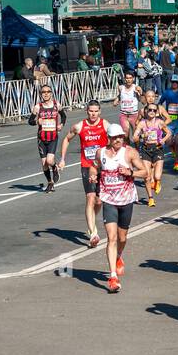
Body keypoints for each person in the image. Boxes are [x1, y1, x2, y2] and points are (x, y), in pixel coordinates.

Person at [92, 122, 150, 293]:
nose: (118, 140)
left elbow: (145, 172)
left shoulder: (130, 152)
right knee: (111, 238)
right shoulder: (101, 153)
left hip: (126, 199)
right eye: (115, 137)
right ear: (109, 138)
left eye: (120, 137)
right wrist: (93, 175)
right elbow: (94, 167)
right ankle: (112, 277)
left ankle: (118, 256)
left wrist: (130, 173)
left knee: (122, 237)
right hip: (108, 198)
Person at [58, 100, 109, 248]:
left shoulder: (105, 125)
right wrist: (62, 159)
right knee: (90, 198)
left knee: (99, 201)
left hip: (102, 167)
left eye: (96, 111)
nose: (93, 114)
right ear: (87, 111)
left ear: (99, 112)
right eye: (90, 111)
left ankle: (91, 219)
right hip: (87, 166)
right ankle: (93, 233)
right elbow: (67, 139)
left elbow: (116, 140)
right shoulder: (80, 126)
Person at [28, 84, 67, 193]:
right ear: (41, 94)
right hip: (41, 138)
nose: (45, 94)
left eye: (48, 92)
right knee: (44, 163)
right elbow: (30, 121)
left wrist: (61, 125)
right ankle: (50, 182)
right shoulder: (37, 107)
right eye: (43, 92)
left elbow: (63, 116)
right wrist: (37, 121)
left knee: (50, 160)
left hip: (53, 137)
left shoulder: (56, 105)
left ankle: (55, 168)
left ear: (51, 93)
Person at [131, 104, 168, 205]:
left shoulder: (160, 122)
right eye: (150, 110)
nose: (152, 111)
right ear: (146, 111)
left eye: (154, 110)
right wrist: (142, 135)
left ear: (156, 112)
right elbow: (134, 138)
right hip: (146, 150)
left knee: (157, 176)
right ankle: (150, 198)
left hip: (158, 150)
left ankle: (157, 181)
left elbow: (169, 133)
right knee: (146, 176)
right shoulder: (142, 124)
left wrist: (163, 140)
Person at [116, 72, 143, 137]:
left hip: (134, 114)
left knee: (135, 135)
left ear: (133, 79)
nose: (128, 80)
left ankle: (137, 147)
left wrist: (140, 93)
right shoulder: (120, 88)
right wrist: (116, 100)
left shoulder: (136, 88)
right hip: (123, 114)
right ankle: (127, 146)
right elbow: (120, 96)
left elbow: (142, 101)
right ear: (124, 79)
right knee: (125, 134)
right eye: (127, 78)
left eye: (130, 78)